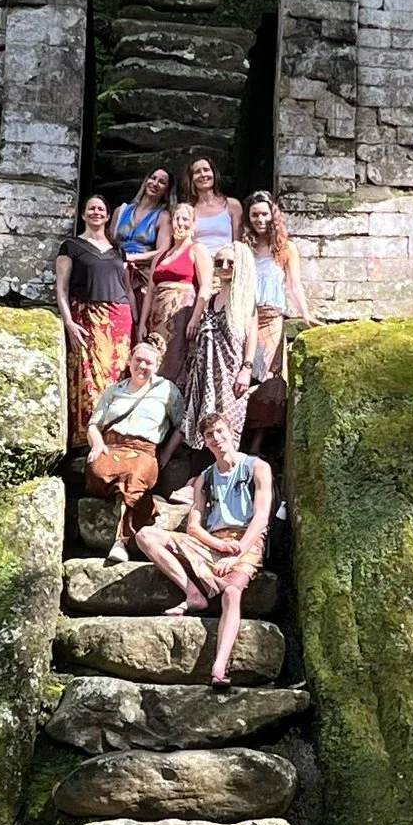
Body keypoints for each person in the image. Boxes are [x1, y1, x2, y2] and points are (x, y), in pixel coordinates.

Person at [135, 417, 276, 687]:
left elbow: (261, 518)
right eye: (210, 434)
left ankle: (219, 668)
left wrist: (236, 554)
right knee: (145, 536)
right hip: (213, 541)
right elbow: (193, 526)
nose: (217, 438)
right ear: (205, 441)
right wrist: (218, 546)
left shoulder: (257, 467)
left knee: (232, 592)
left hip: (247, 540)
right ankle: (193, 593)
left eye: (220, 431)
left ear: (231, 432)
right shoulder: (205, 478)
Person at [86, 335, 185, 562]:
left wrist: (166, 454)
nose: (142, 366)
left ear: (157, 366)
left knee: (134, 476)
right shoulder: (114, 390)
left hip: (144, 452)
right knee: (98, 471)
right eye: (138, 360)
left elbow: (183, 425)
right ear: (130, 361)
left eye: (149, 362)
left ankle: (122, 541)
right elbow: (93, 425)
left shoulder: (167, 390)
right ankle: (145, 504)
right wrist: (98, 444)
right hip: (111, 448)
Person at [55, 194, 133, 451]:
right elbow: (61, 288)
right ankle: (87, 439)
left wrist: (136, 320)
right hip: (86, 317)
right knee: (88, 376)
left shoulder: (118, 250)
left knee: (118, 376)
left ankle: (115, 435)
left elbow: (128, 288)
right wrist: (68, 321)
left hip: (119, 319)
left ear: (108, 216)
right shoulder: (71, 246)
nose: (96, 212)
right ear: (83, 215)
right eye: (91, 209)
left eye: (101, 209)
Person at [239, 191, 313, 452]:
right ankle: (237, 436)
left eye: (264, 214)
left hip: (271, 318)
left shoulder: (285, 248)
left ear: (273, 216)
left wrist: (305, 314)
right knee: (240, 374)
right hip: (245, 316)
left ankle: (256, 445)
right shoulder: (243, 248)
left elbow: (294, 285)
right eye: (254, 215)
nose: (260, 219)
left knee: (268, 377)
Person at [182, 242, 257, 446]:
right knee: (203, 411)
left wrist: (246, 369)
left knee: (227, 413)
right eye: (219, 262)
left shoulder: (244, 299)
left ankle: (227, 457)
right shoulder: (211, 299)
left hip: (230, 368)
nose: (224, 266)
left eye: (230, 263)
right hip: (206, 366)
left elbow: (252, 336)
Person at [143, 202, 200, 391]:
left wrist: (195, 319)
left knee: (176, 360)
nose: (180, 223)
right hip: (157, 317)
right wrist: (143, 323)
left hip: (181, 317)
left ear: (193, 224)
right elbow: (150, 291)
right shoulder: (160, 257)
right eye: (177, 219)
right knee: (156, 357)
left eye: (185, 219)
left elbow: (205, 287)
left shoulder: (196, 250)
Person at [112, 168, 173, 274]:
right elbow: (109, 242)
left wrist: (129, 258)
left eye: (161, 182)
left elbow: (162, 252)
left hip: (142, 272)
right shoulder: (120, 211)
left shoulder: (163, 217)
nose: (155, 183)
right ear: (146, 181)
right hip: (115, 269)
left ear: (167, 190)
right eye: (153, 178)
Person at [182, 156, 243, 257]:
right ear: (191, 179)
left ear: (214, 174)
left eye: (206, 170)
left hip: (226, 260)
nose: (203, 174)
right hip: (197, 261)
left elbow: (238, 244)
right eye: (197, 172)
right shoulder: (187, 210)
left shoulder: (232, 205)